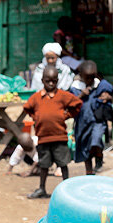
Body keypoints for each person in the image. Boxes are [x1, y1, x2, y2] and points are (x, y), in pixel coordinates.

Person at [23, 65, 82, 198]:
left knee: (63, 164)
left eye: (54, 81)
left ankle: (67, 190)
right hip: (43, 137)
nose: (51, 83)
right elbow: (27, 107)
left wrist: (65, 115)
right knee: (44, 165)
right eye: (48, 80)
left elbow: (77, 104)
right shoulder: (37, 97)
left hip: (59, 137)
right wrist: (36, 117)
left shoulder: (62, 95)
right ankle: (42, 188)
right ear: (42, 80)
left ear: (57, 80)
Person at [71, 60, 113, 174]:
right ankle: (89, 171)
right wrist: (81, 95)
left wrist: (109, 97)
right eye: (86, 78)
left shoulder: (101, 85)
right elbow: (71, 103)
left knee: (96, 141)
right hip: (82, 122)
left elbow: (110, 94)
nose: (89, 80)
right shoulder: (75, 88)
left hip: (97, 121)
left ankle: (99, 158)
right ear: (81, 76)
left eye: (91, 77)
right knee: (86, 147)